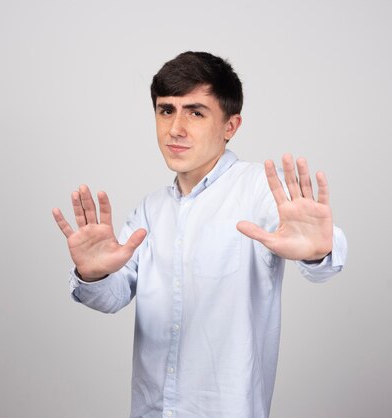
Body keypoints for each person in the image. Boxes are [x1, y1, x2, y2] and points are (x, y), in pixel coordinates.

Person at [52, 51, 347, 418]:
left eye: (195, 112)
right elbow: (111, 297)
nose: (175, 128)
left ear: (230, 126)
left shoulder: (258, 191)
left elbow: (322, 258)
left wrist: (318, 252)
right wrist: (93, 274)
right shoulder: (150, 209)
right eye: (166, 110)